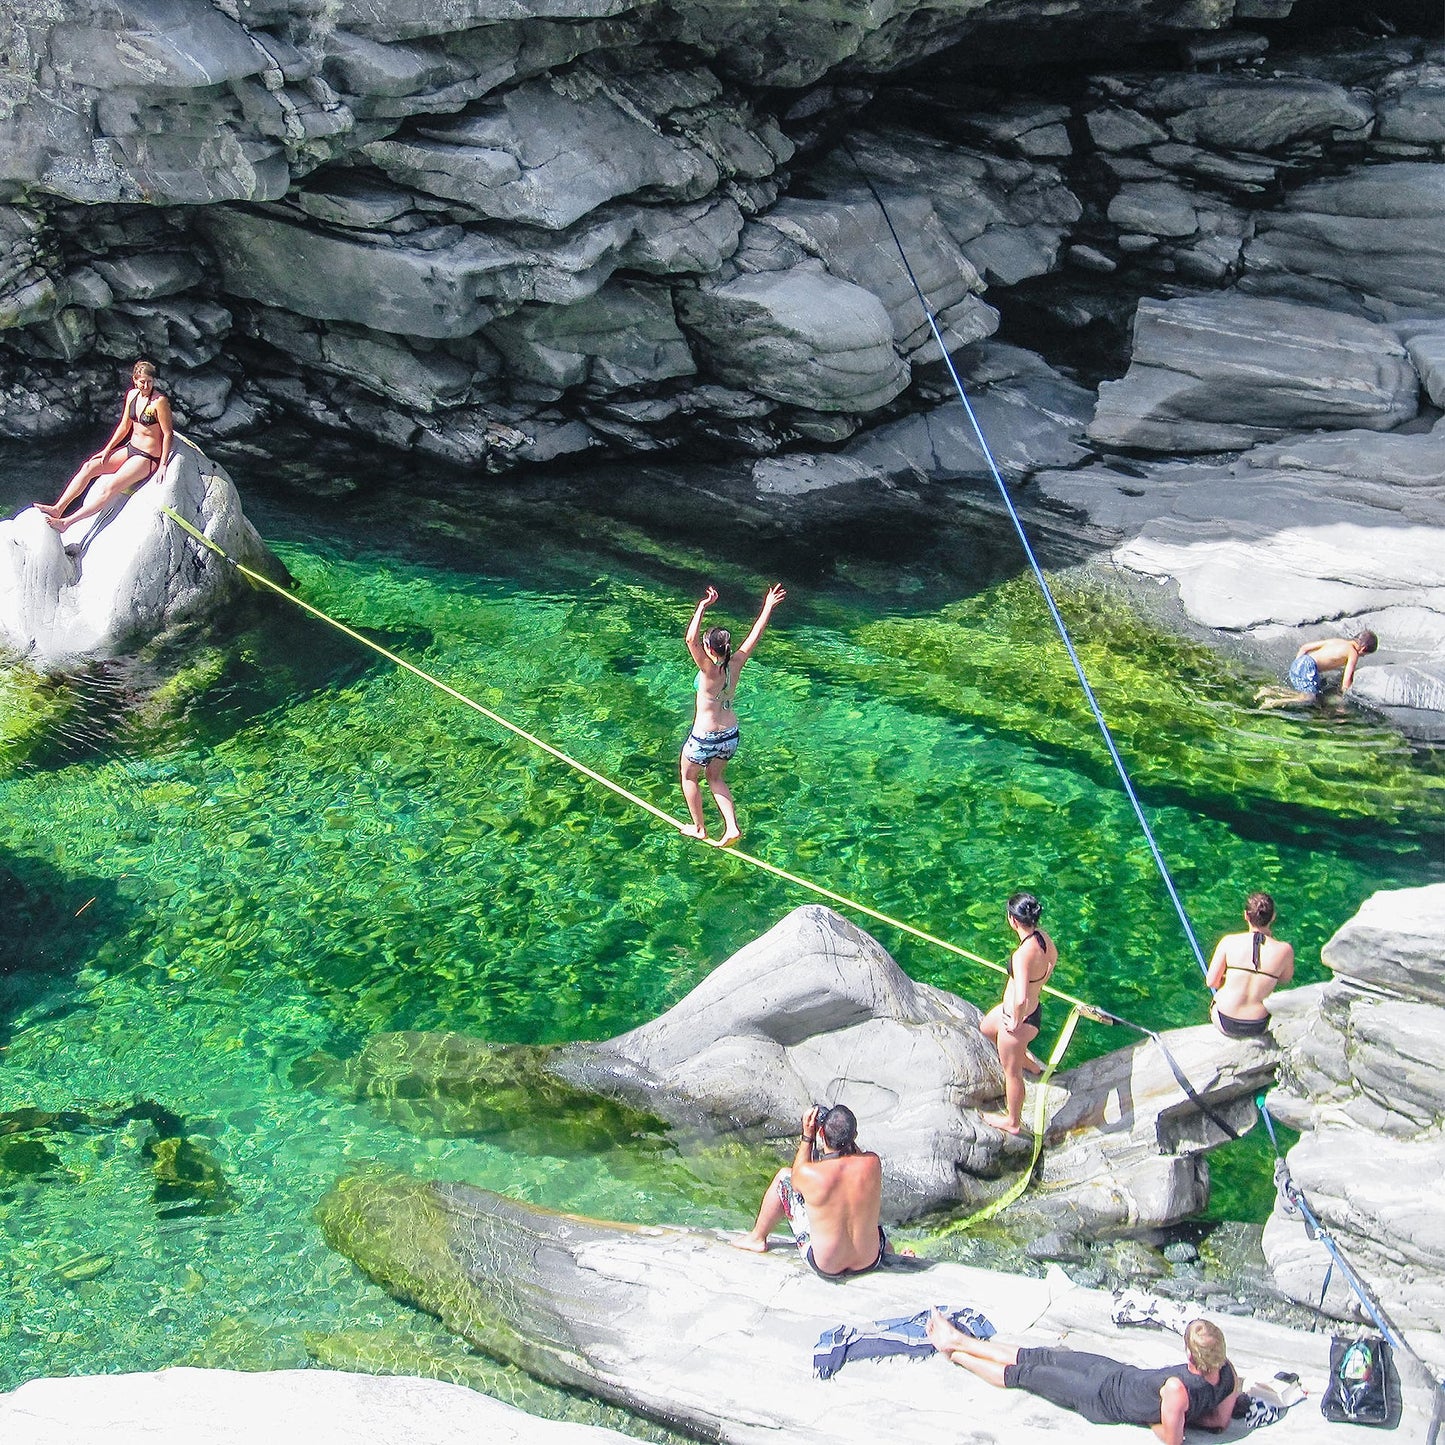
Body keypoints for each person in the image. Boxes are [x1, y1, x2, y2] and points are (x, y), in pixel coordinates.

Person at [926, 1310, 1239, 1445]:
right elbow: (1219, 1421)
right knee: (1043, 1354)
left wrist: (1154, 1421)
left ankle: (957, 1353)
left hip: (1100, 1398)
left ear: (1189, 1355)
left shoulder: (1177, 1390)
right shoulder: (1229, 1375)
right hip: (1117, 1373)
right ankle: (960, 1340)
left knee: (1028, 1374)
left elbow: (1172, 1439)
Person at [679, 582, 785, 847]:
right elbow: (755, 634)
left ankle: (699, 827)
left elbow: (690, 639)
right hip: (730, 735)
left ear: (710, 649)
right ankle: (731, 827)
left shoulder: (708, 671)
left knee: (689, 776)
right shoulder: (736, 662)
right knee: (715, 777)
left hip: (704, 736)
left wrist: (702, 606)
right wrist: (768, 606)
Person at [734, 1104, 888, 1278]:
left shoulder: (810, 1175)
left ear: (821, 1133)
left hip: (826, 1265)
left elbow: (795, 1178)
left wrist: (807, 1135)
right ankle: (891, 1251)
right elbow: (854, 1154)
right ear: (855, 1136)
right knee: (868, 1215)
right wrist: (845, 1135)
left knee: (783, 1177)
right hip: (869, 1261)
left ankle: (756, 1238)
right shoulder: (873, 1163)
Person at [37, 359, 173, 535]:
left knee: (109, 487)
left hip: (147, 457)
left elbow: (168, 433)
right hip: (131, 448)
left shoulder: (159, 402)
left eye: (150, 381)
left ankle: (66, 522)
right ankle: (58, 508)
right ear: (134, 379)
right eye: (142, 381)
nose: (146, 385)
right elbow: (124, 426)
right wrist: (107, 450)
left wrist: (162, 464)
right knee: (89, 466)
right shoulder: (132, 395)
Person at [979, 891, 1057, 1135]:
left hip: (1019, 1021)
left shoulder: (1021, 955)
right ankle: (1032, 1065)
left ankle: (1012, 1122)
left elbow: (1021, 996)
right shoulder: (1042, 938)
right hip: (1032, 1011)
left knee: (1011, 1073)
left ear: (1013, 920)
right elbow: (1051, 963)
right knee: (986, 1028)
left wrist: (1015, 1020)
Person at [1206, 891, 1294, 1039]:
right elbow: (1285, 979)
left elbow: (1211, 982)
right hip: (1258, 1025)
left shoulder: (1229, 941)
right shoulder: (1285, 950)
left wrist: (1230, 979)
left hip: (1225, 1020)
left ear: (1246, 915)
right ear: (1273, 916)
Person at [1262, 630, 1377, 706]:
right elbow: (1347, 679)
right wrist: (1344, 696)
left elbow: (1305, 647)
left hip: (1300, 662)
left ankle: (1269, 690)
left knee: (1309, 695)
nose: (1361, 656)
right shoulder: (1353, 653)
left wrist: (1298, 664)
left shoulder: (1337, 641)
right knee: (1309, 699)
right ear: (1363, 649)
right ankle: (1273, 702)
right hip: (1309, 667)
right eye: (1364, 655)